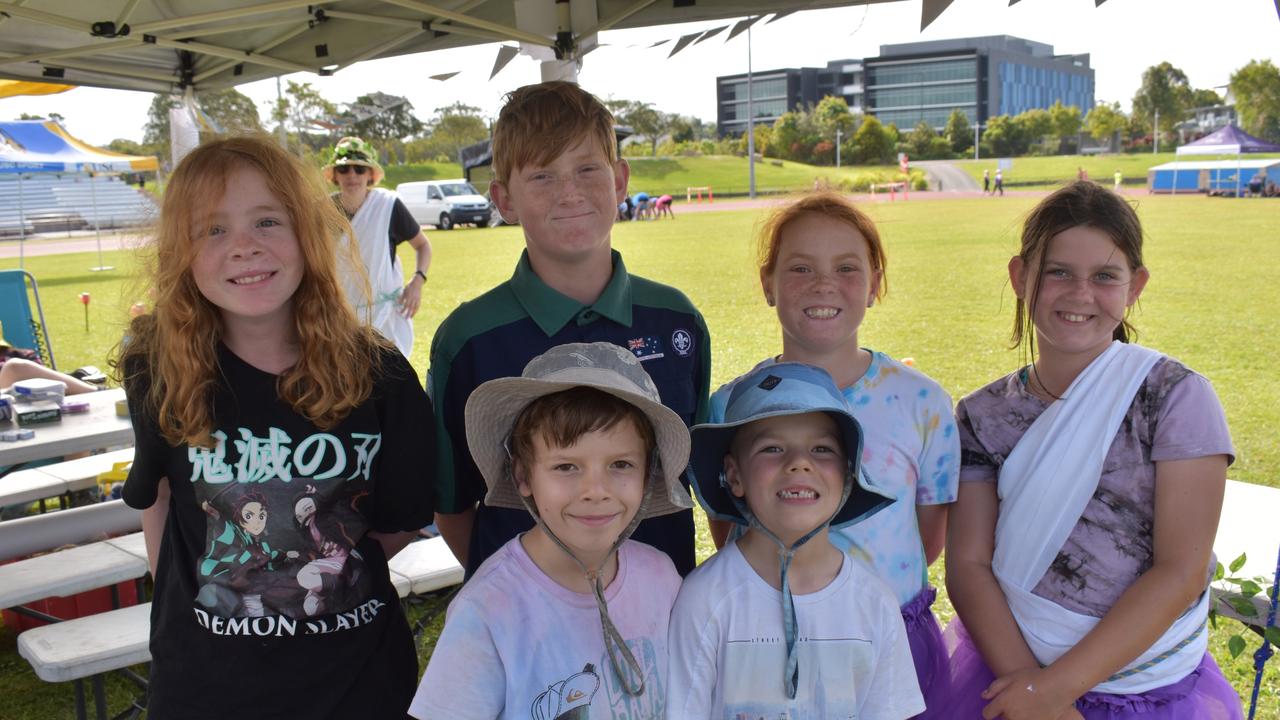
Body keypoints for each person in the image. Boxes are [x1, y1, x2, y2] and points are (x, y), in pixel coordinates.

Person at [115, 136, 435, 719]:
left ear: (308, 236)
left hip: (356, 683)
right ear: (179, 253)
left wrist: (313, 572)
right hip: (205, 687)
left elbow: (399, 523)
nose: (243, 247)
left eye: (267, 220)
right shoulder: (155, 368)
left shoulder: (380, 374)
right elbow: (158, 502)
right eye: (212, 230)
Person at [946, 181, 1242, 719]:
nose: (1080, 293)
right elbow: (968, 563)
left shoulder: (1175, 397)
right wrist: (1031, 691)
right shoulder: (979, 416)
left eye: (1105, 276)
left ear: (1135, 286)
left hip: (1145, 688)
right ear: (1020, 277)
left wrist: (1056, 688)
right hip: (1009, 671)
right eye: (1058, 271)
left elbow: (1182, 569)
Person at [428, 81, 710, 580]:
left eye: (587, 169)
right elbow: (452, 504)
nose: (570, 192)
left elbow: (695, 480)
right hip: (527, 629)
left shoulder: (676, 320)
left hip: (660, 616)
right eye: (542, 176)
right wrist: (524, 590)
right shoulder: (469, 338)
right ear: (503, 199)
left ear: (620, 181)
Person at [705, 191, 959, 716]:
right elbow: (730, 529)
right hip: (769, 641)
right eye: (800, 268)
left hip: (893, 639)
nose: (823, 285)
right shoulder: (728, 406)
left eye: (846, 267)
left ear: (875, 285)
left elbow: (927, 538)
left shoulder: (922, 401)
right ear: (767, 284)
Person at [411, 342, 692, 718]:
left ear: (648, 474)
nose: (596, 491)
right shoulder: (489, 608)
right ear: (523, 475)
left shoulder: (661, 577)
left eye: (621, 464)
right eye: (566, 467)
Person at [668, 362, 923, 718]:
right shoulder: (705, 600)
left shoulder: (874, 603)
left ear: (848, 476)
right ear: (734, 475)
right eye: (772, 448)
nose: (800, 463)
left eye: (822, 449)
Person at [325, 136, 432, 358]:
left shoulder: (387, 206)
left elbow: (422, 245)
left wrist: (417, 282)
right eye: (344, 169)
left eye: (360, 169)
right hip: (338, 319)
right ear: (335, 175)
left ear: (370, 175)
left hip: (385, 317)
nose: (352, 175)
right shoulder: (322, 211)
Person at [0, 322, 98, 394]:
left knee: (15, 367)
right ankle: (97, 393)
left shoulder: (21, 356)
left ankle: (96, 393)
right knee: (14, 367)